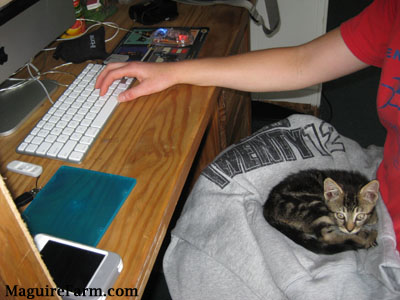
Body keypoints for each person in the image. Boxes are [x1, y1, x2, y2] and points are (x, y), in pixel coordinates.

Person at [96, 0, 400, 253]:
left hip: (390, 241)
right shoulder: (392, 10)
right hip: (381, 180)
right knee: (214, 189)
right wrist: (172, 72)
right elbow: (302, 62)